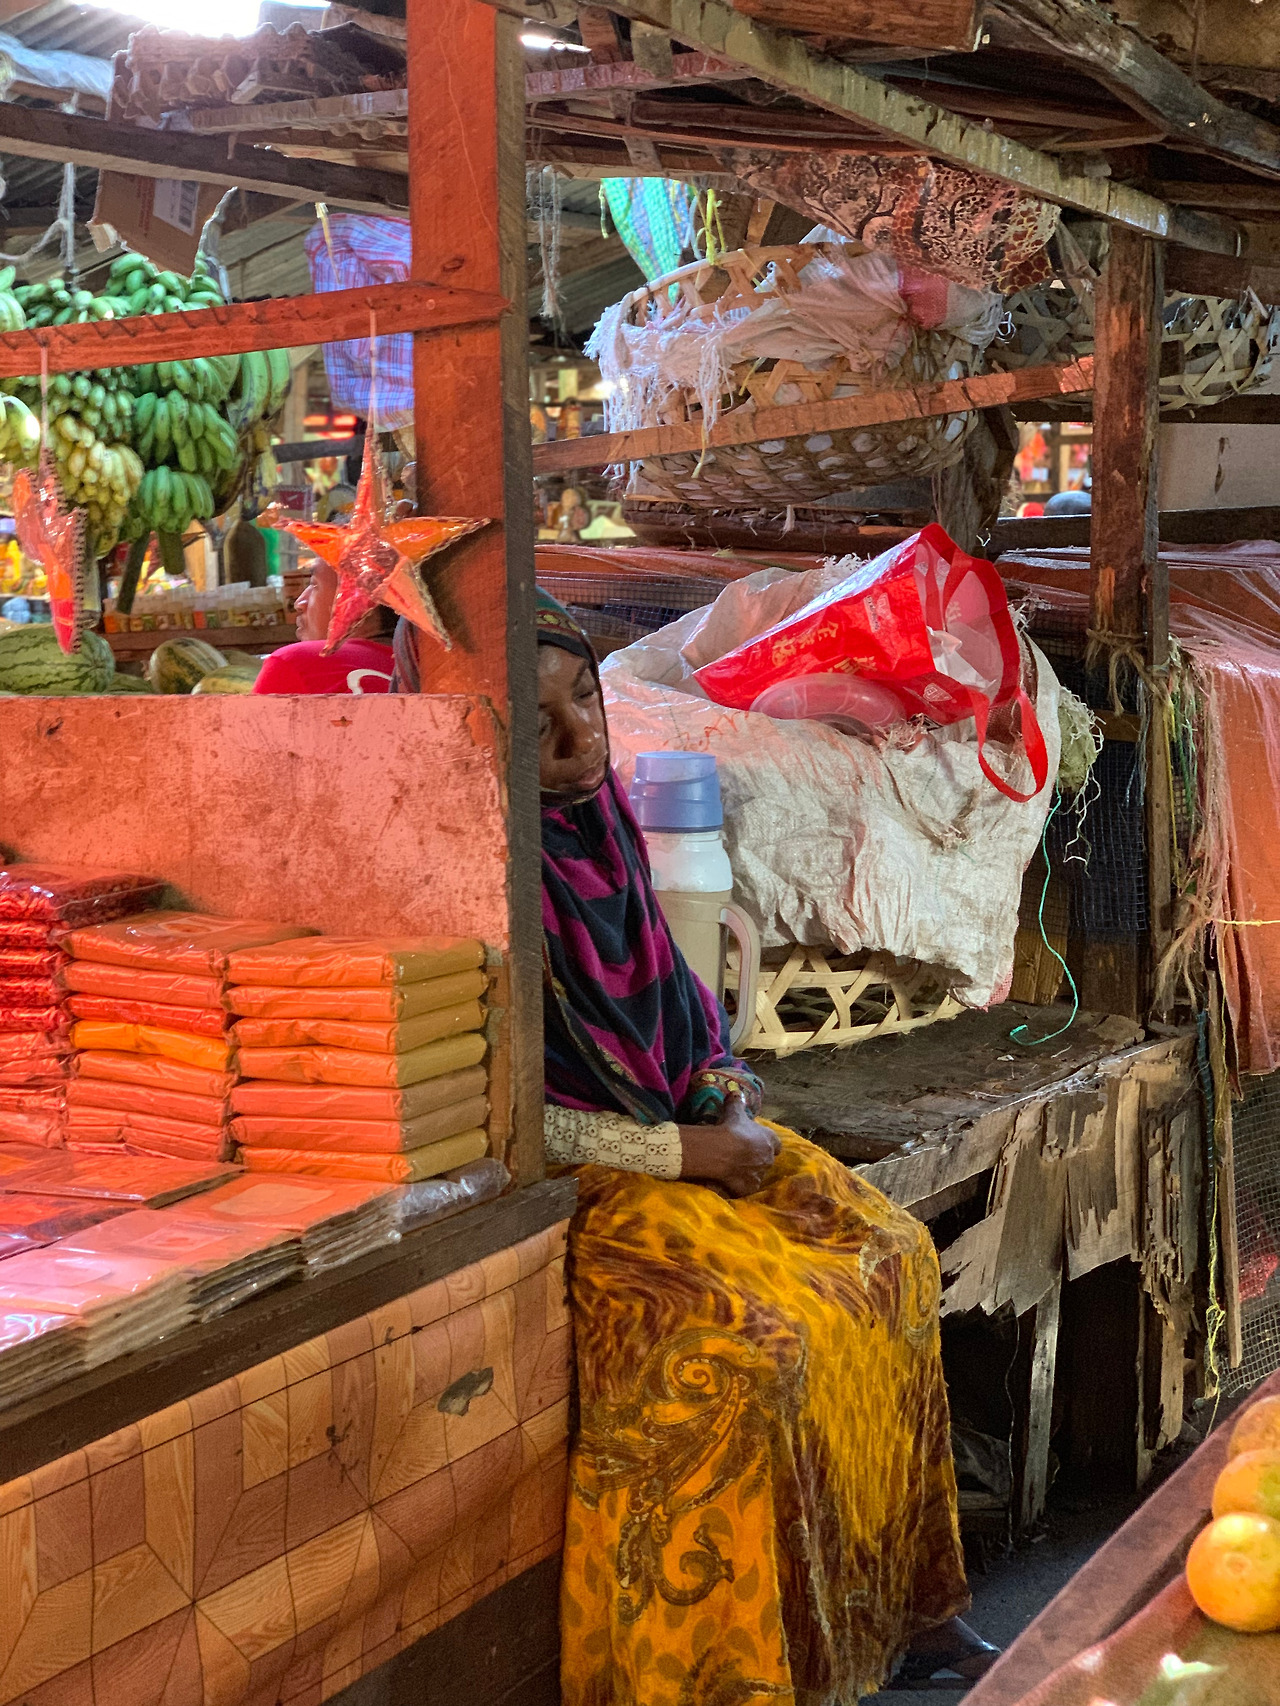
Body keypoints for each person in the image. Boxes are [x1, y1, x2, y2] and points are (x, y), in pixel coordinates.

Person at [534, 588, 997, 1704]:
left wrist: (727, 1101)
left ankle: (903, 1606)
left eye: (584, 699)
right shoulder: (484, 876)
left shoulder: (605, 833)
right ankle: (730, 1676)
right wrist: (687, 1157)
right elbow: (510, 1121)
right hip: (588, 1182)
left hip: (693, 1132)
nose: (576, 737)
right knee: (753, 1346)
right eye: (533, 722)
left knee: (888, 1256)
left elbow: (686, 1018)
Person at [253, 555, 396, 695]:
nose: (299, 603)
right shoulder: (405, 666)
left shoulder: (296, 664)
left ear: (355, 599)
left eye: (314, 584)